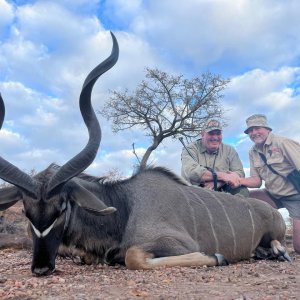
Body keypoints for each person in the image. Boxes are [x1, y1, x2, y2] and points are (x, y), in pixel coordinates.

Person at [232, 114, 300, 254]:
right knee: (245, 199)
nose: (254, 133)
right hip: (272, 194)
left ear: (267, 128)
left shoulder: (283, 143)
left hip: (295, 197)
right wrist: (235, 180)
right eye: (250, 131)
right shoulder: (253, 151)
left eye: (257, 128)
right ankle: (254, 242)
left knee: (299, 247)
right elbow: (256, 181)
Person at [181, 119, 249, 197]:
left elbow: (239, 173)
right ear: (202, 134)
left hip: (221, 188)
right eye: (211, 133)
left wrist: (219, 182)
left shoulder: (229, 150)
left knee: (242, 190)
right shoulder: (190, 149)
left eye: (218, 133)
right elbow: (192, 172)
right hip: (193, 190)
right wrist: (223, 176)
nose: (215, 137)